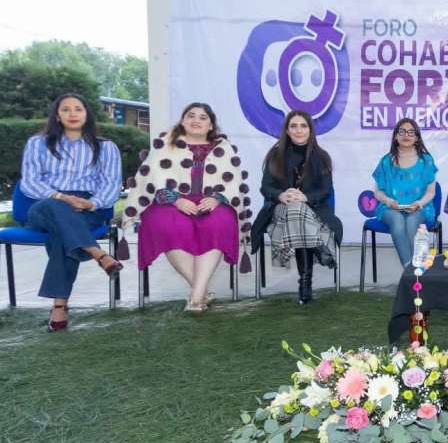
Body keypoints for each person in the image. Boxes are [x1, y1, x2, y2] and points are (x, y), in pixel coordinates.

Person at [121, 103, 252, 312]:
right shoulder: (165, 144)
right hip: (172, 201)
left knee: (219, 222)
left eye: (203, 117)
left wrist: (217, 198)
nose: (196, 120)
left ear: (211, 125)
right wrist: (175, 199)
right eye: (191, 116)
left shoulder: (224, 147)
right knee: (166, 224)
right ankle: (201, 292)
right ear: (183, 121)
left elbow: (233, 181)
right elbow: (153, 177)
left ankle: (196, 297)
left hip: (212, 201)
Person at [19, 94, 123, 331]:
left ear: (87, 114)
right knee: (57, 209)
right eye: (66, 109)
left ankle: (59, 306)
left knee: (62, 234)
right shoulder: (38, 143)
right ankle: (98, 253)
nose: (73, 114)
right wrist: (61, 197)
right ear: (57, 116)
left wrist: (92, 204)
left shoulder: (106, 147)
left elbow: (111, 184)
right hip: (45, 204)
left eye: (78, 109)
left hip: (87, 207)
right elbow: (30, 181)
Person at [251, 110, 342, 305]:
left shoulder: (322, 157)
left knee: (298, 209)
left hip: (313, 212)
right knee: (295, 209)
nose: (298, 130)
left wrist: (305, 197)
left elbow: (326, 190)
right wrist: (281, 195)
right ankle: (317, 250)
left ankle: (304, 285)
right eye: (293, 126)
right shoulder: (275, 155)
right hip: (280, 212)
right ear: (287, 130)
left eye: (303, 126)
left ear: (310, 130)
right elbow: (266, 187)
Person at [371, 118, 438, 266]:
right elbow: (378, 192)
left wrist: (419, 203)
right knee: (397, 220)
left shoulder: (426, 160)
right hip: (390, 208)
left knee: (411, 221)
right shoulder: (386, 161)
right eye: (402, 131)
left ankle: (413, 271)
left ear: (417, 138)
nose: (406, 135)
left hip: (420, 208)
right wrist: (388, 201)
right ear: (395, 136)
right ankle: (412, 271)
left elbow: (431, 192)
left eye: (411, 132)